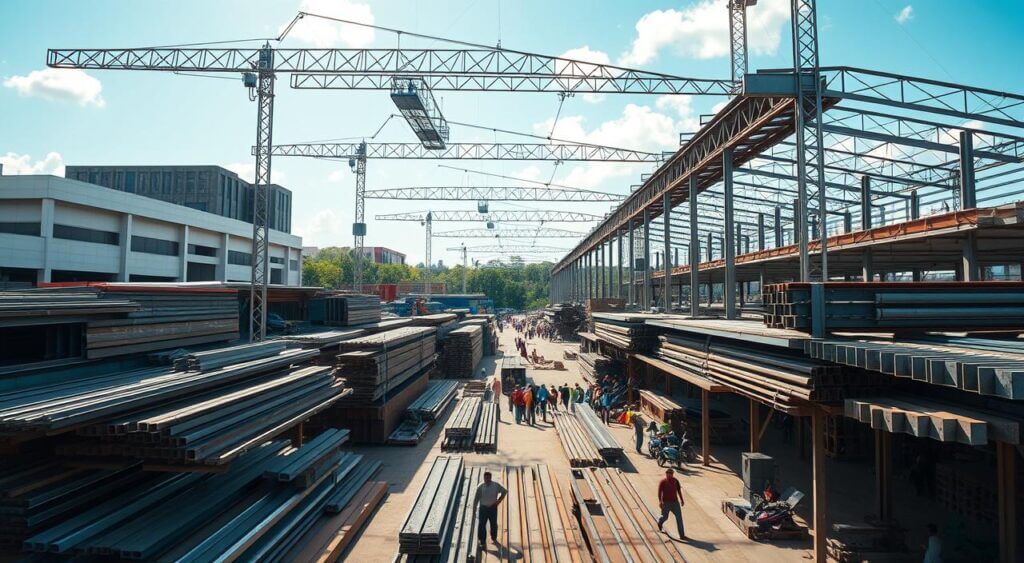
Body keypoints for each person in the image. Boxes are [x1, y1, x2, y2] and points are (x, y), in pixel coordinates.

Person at [474, 471, 508, 548]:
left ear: (491, 478)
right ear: (484, 478)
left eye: (488, 478)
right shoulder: (480, 486)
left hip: (493, 508)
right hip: (483, 508)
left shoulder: (496, 485)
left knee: (493, 523)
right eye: (485, 478)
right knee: (482, 525)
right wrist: (474, 508)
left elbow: (504, 491)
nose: (487, 480)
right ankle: (482, 541)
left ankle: (494, 537)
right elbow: (476, 498)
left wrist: (499, 500)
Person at [657, 468, 685, 540]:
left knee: (679, 518)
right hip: (666, 503)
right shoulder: (663, 482)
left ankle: (682, 535)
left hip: (675, 502)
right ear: (666, 474)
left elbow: (679, 490)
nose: (669, 475)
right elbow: (659, 492)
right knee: (665, 517)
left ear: (672, 474)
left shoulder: (676, 481)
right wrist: (660, 501)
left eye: (671, 474)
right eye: (668, 474)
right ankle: (660, 522)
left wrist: (681, 500)